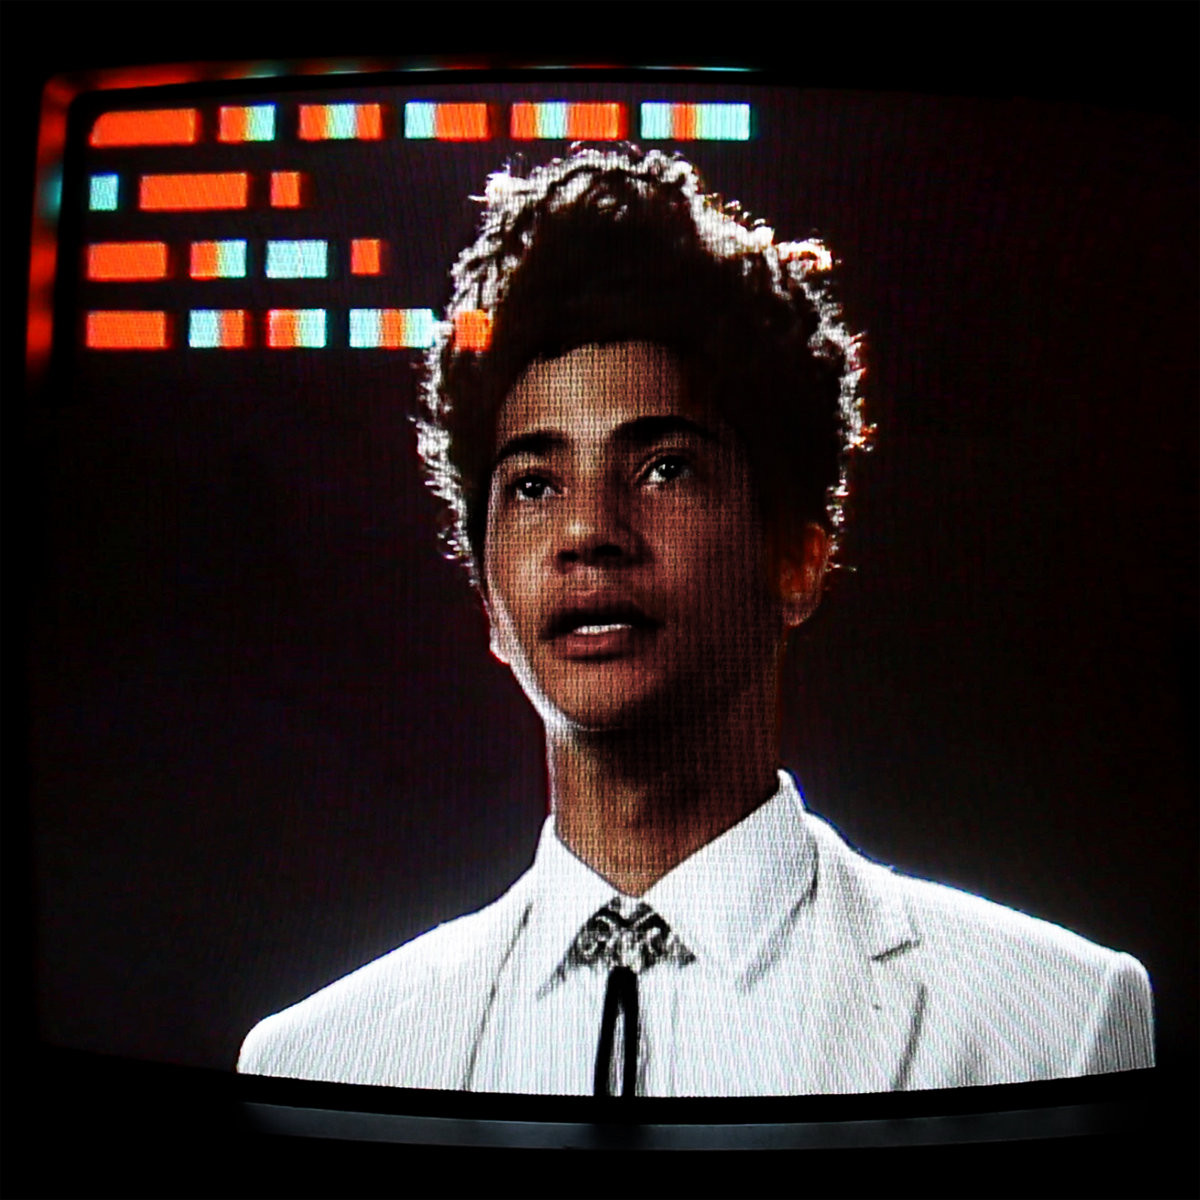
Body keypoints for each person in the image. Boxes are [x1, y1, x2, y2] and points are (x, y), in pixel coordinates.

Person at [238, 146, 1153, 1097]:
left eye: (664, 467)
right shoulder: (318, 1061)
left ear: (799, 559)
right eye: (535, 485)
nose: (588, 532)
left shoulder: (1055, 1022)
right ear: (490, 608)